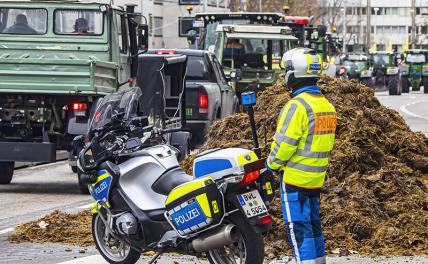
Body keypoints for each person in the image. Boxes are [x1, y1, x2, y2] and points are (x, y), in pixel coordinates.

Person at [266, 48, 337, 264]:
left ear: (293, 73)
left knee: (297, 228)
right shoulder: (326, 106)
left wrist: (271, 165)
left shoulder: (297, 106)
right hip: (316, 179)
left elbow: (285, 145)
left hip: (294, 179)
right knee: (313, 223)